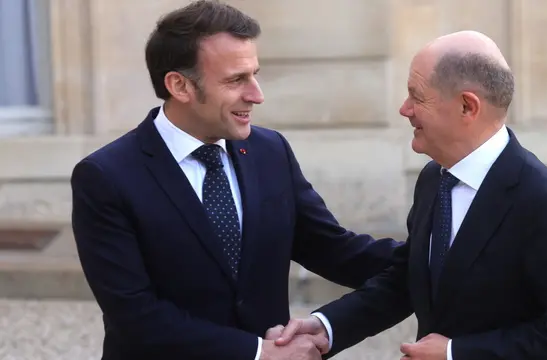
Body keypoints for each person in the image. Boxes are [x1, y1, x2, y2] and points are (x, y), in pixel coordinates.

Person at [69, 1, 401, 359]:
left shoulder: (270, 151)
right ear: (180, 85)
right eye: (236, 80)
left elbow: (337, 252)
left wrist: (439, 257)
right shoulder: (106, 176)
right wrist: (259, 352)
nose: (256, 94)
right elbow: (135, 316)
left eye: (255, 74)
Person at [270, 31, 547, 360]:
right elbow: (408, 280)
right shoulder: (434, 178)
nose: (405, 109)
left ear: (466, 106)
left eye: (417, 96)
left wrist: (455, 353)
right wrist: (327, 327)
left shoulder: (543, 201)